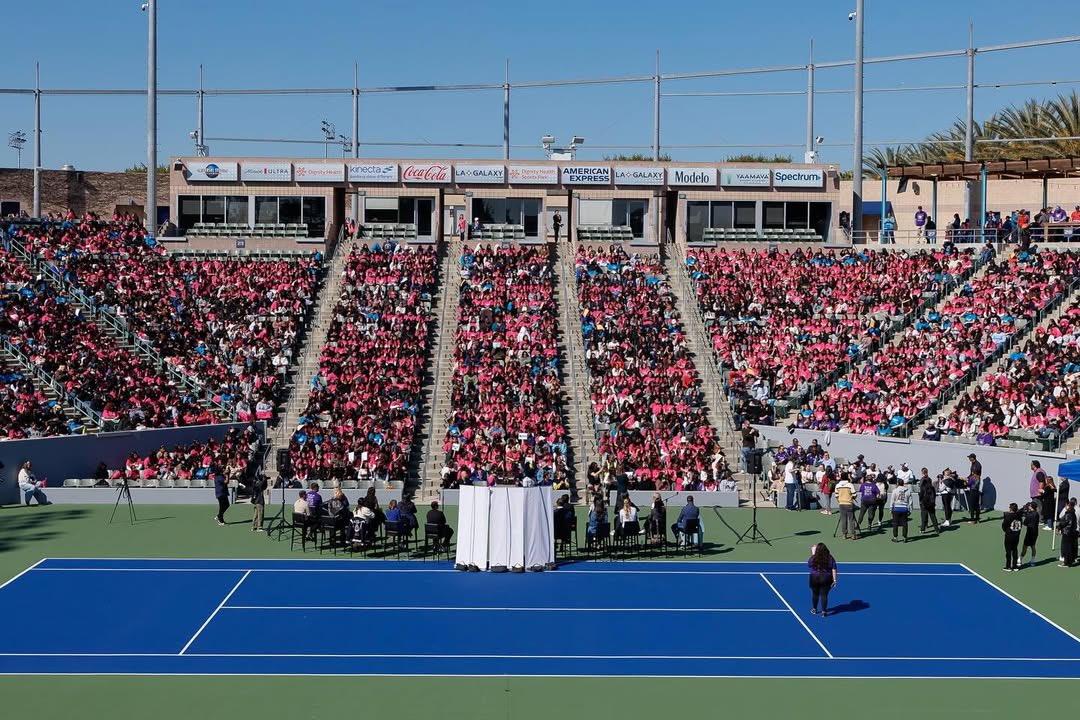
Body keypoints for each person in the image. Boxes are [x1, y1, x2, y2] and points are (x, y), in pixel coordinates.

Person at [807, 543, 838, 616]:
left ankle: (814, 609)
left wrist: (813, 554)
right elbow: (834, 569)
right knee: (824, 595)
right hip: (826, 578)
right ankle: (824, 612)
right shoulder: (830, 558)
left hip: (814, 578)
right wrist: (835, 580)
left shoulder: (814, 557)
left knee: (815, 594)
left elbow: (809, 564)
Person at [1001, 502, 1023, 572]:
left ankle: (1008, 566)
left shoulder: (1008, 516)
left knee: (1008, 552)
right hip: (1016, 536)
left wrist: (1007, 531)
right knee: (1015, 550)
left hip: (1009, 536)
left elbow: (1004, 526)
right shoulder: (1019, 517)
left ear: (1011, 509)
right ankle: (1015, 566)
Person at [917, 468, 939, 534]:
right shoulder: (932, 488)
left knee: (923, 515)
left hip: (924, 503)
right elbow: (934, 495)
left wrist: (920, 500)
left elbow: (921, 493)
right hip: (931, 503)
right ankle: (937, 529)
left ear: (922, 472)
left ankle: (923, 529)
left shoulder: (922, 484)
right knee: (933, 516)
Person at [835, 472, 856, 539]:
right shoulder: (850, 485)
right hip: (849, 504)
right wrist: (852, 498)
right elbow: (854, 494)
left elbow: (836, 495)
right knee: (851, 520)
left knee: (843, 519)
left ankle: (844, 534)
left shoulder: (837, 485)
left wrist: (839, 501)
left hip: (841, 504)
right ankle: (853, 535)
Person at [1057, 499, 1077, 568]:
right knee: (1071, 548)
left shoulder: (1068, 513)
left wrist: (1059, 527)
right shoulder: (1073, 513)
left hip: (1067, 533)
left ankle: (1066, 563)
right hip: (1072, 533)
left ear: (1069, 505)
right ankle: (1070, 561)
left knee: (1066, 548)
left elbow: (1064, 522)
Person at [1020, 501, 1040, 568]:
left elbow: (1025, 523)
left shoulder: (1029, 515)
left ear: (1031, 507)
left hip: (1029, 533)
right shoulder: (1037, 514)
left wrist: (1026, 515)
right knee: (1033, 546)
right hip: (1035, 532)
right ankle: (1032, 561)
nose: (1028, 506)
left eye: (1029, 506)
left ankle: (1020, 559)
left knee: (1024, 546)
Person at [966, 453, 982, 524]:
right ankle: (977, 519)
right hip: (974, 486)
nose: (969, 459)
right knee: (976, 504)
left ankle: (973, 520)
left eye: (970, 458)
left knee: (973, 504)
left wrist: (968, 481)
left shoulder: (977, 465)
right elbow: (971, 474)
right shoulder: (973, 464)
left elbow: (975, 476)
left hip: (974, 486)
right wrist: (967, 478)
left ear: (973, 458)